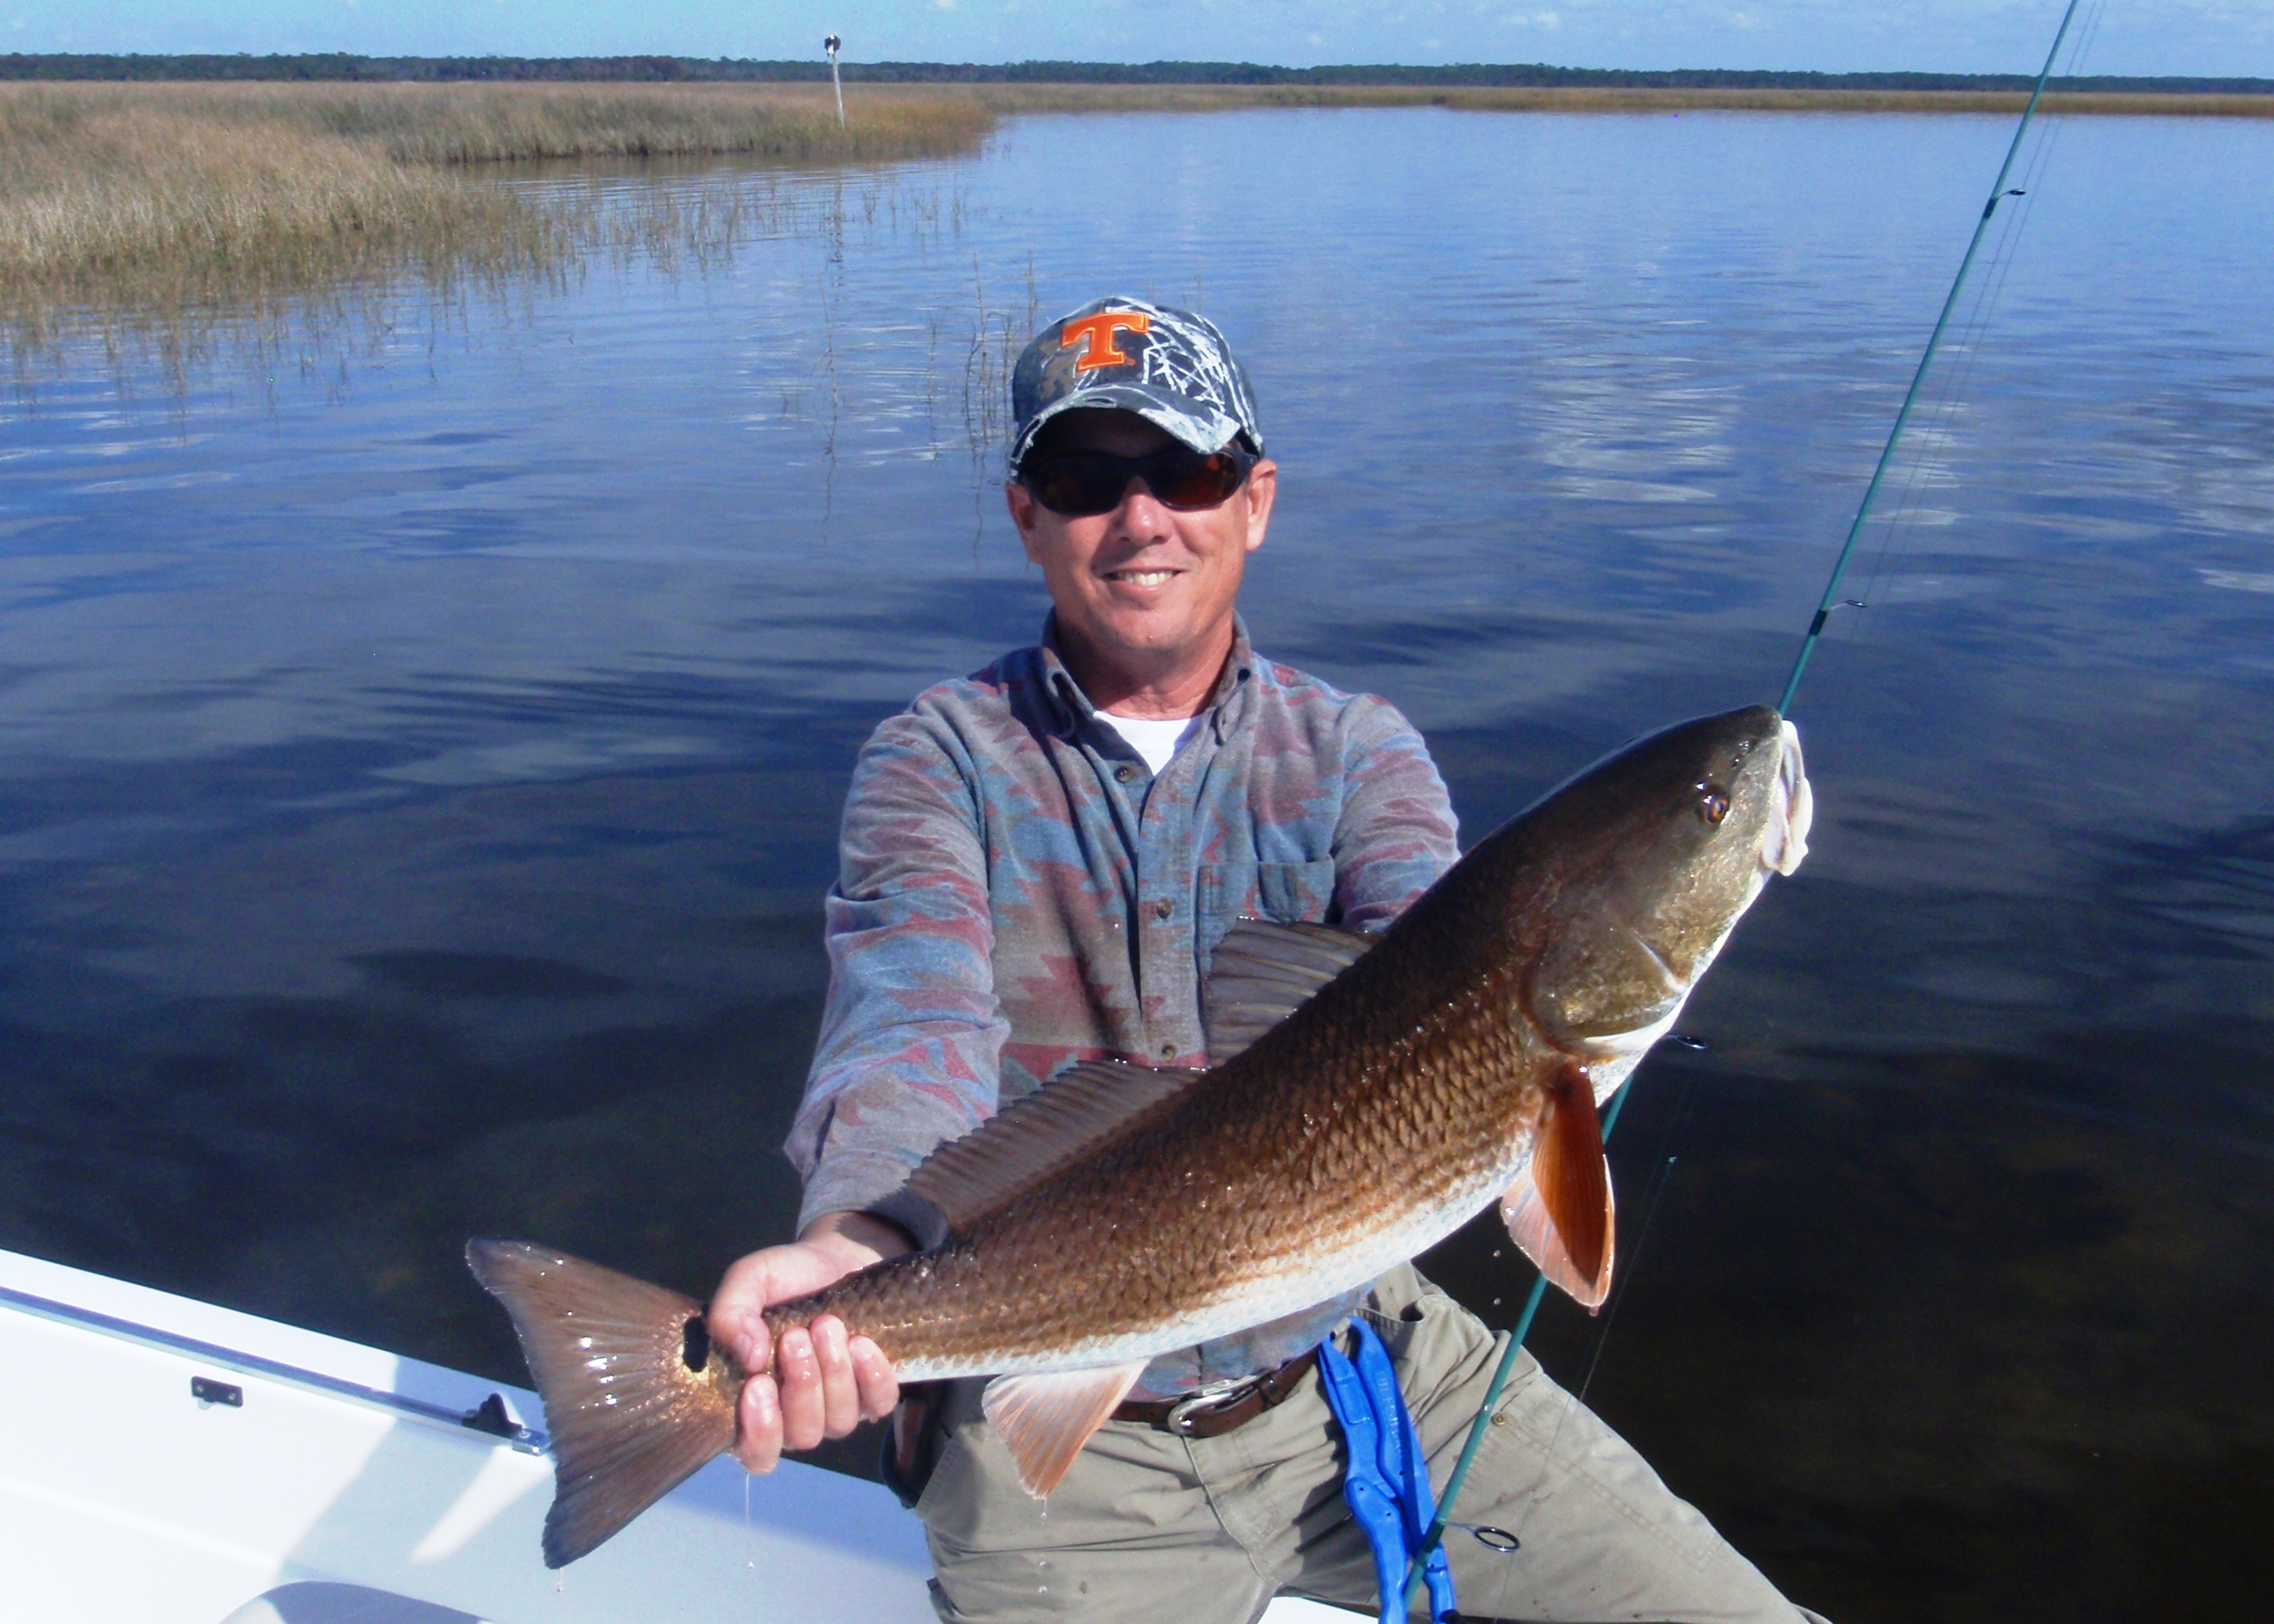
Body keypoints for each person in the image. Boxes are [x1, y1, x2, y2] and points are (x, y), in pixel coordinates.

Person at [709, 297, 1827, 1624]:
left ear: (1254, 499)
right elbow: (913, 1005)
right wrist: (857, 1235)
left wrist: (1696, 880)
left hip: (1370, 1363)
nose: (1140, 520)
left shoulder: (1359, 752)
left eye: (1186, 472)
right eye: (1082, 480)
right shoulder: (938, 760)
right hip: (1063, 1458)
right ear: (1024, 516)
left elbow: (1434, 962)